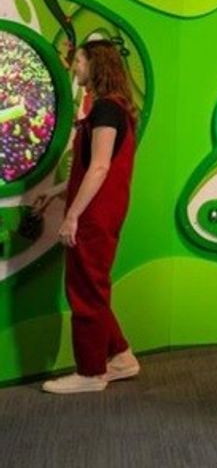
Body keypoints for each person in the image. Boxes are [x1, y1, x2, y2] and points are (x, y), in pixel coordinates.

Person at [42, 40, 141, 394]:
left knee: (84, 291)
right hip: (104, 212)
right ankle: (121, 357)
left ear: (96, 65)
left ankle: (90, 372)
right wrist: (58, 193)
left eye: (80, 60)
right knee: (93, 288)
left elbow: (99, 167)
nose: (75, 67)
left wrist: (72, 217)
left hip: (95, 216)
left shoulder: (105, 110)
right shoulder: (116, 109)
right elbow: (97, 166)